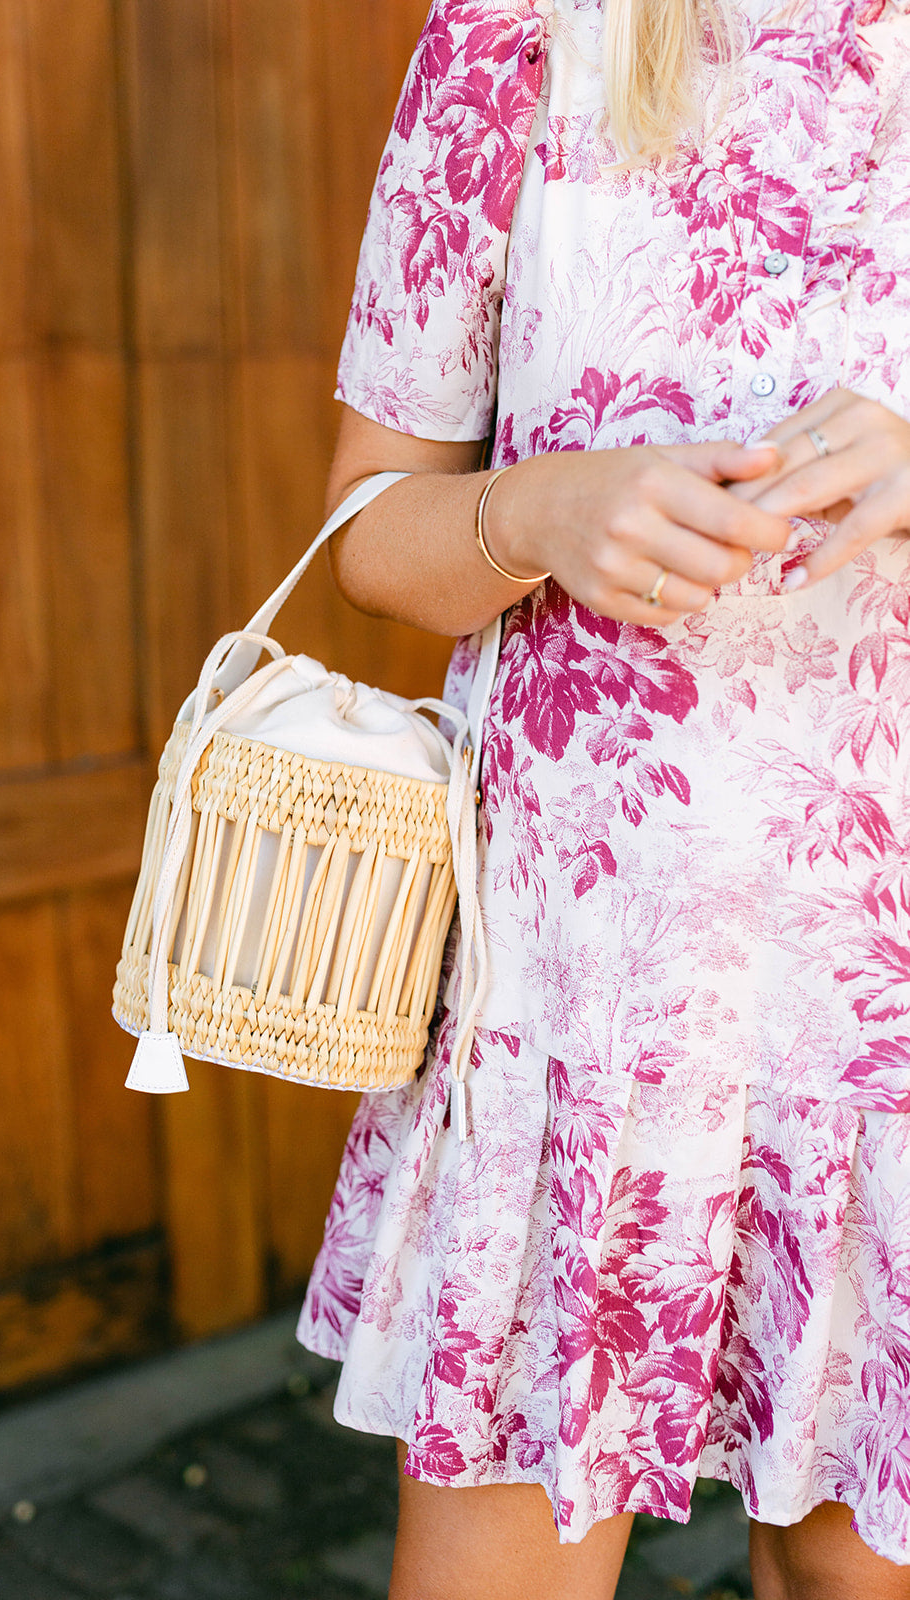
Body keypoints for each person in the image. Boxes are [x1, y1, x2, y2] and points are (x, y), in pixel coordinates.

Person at [294, 0, 910, 1594]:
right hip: (583, 1007)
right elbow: (372, 535)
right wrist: (542, 510)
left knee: (855, 1574)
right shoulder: (517, 31)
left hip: (886, 1020)